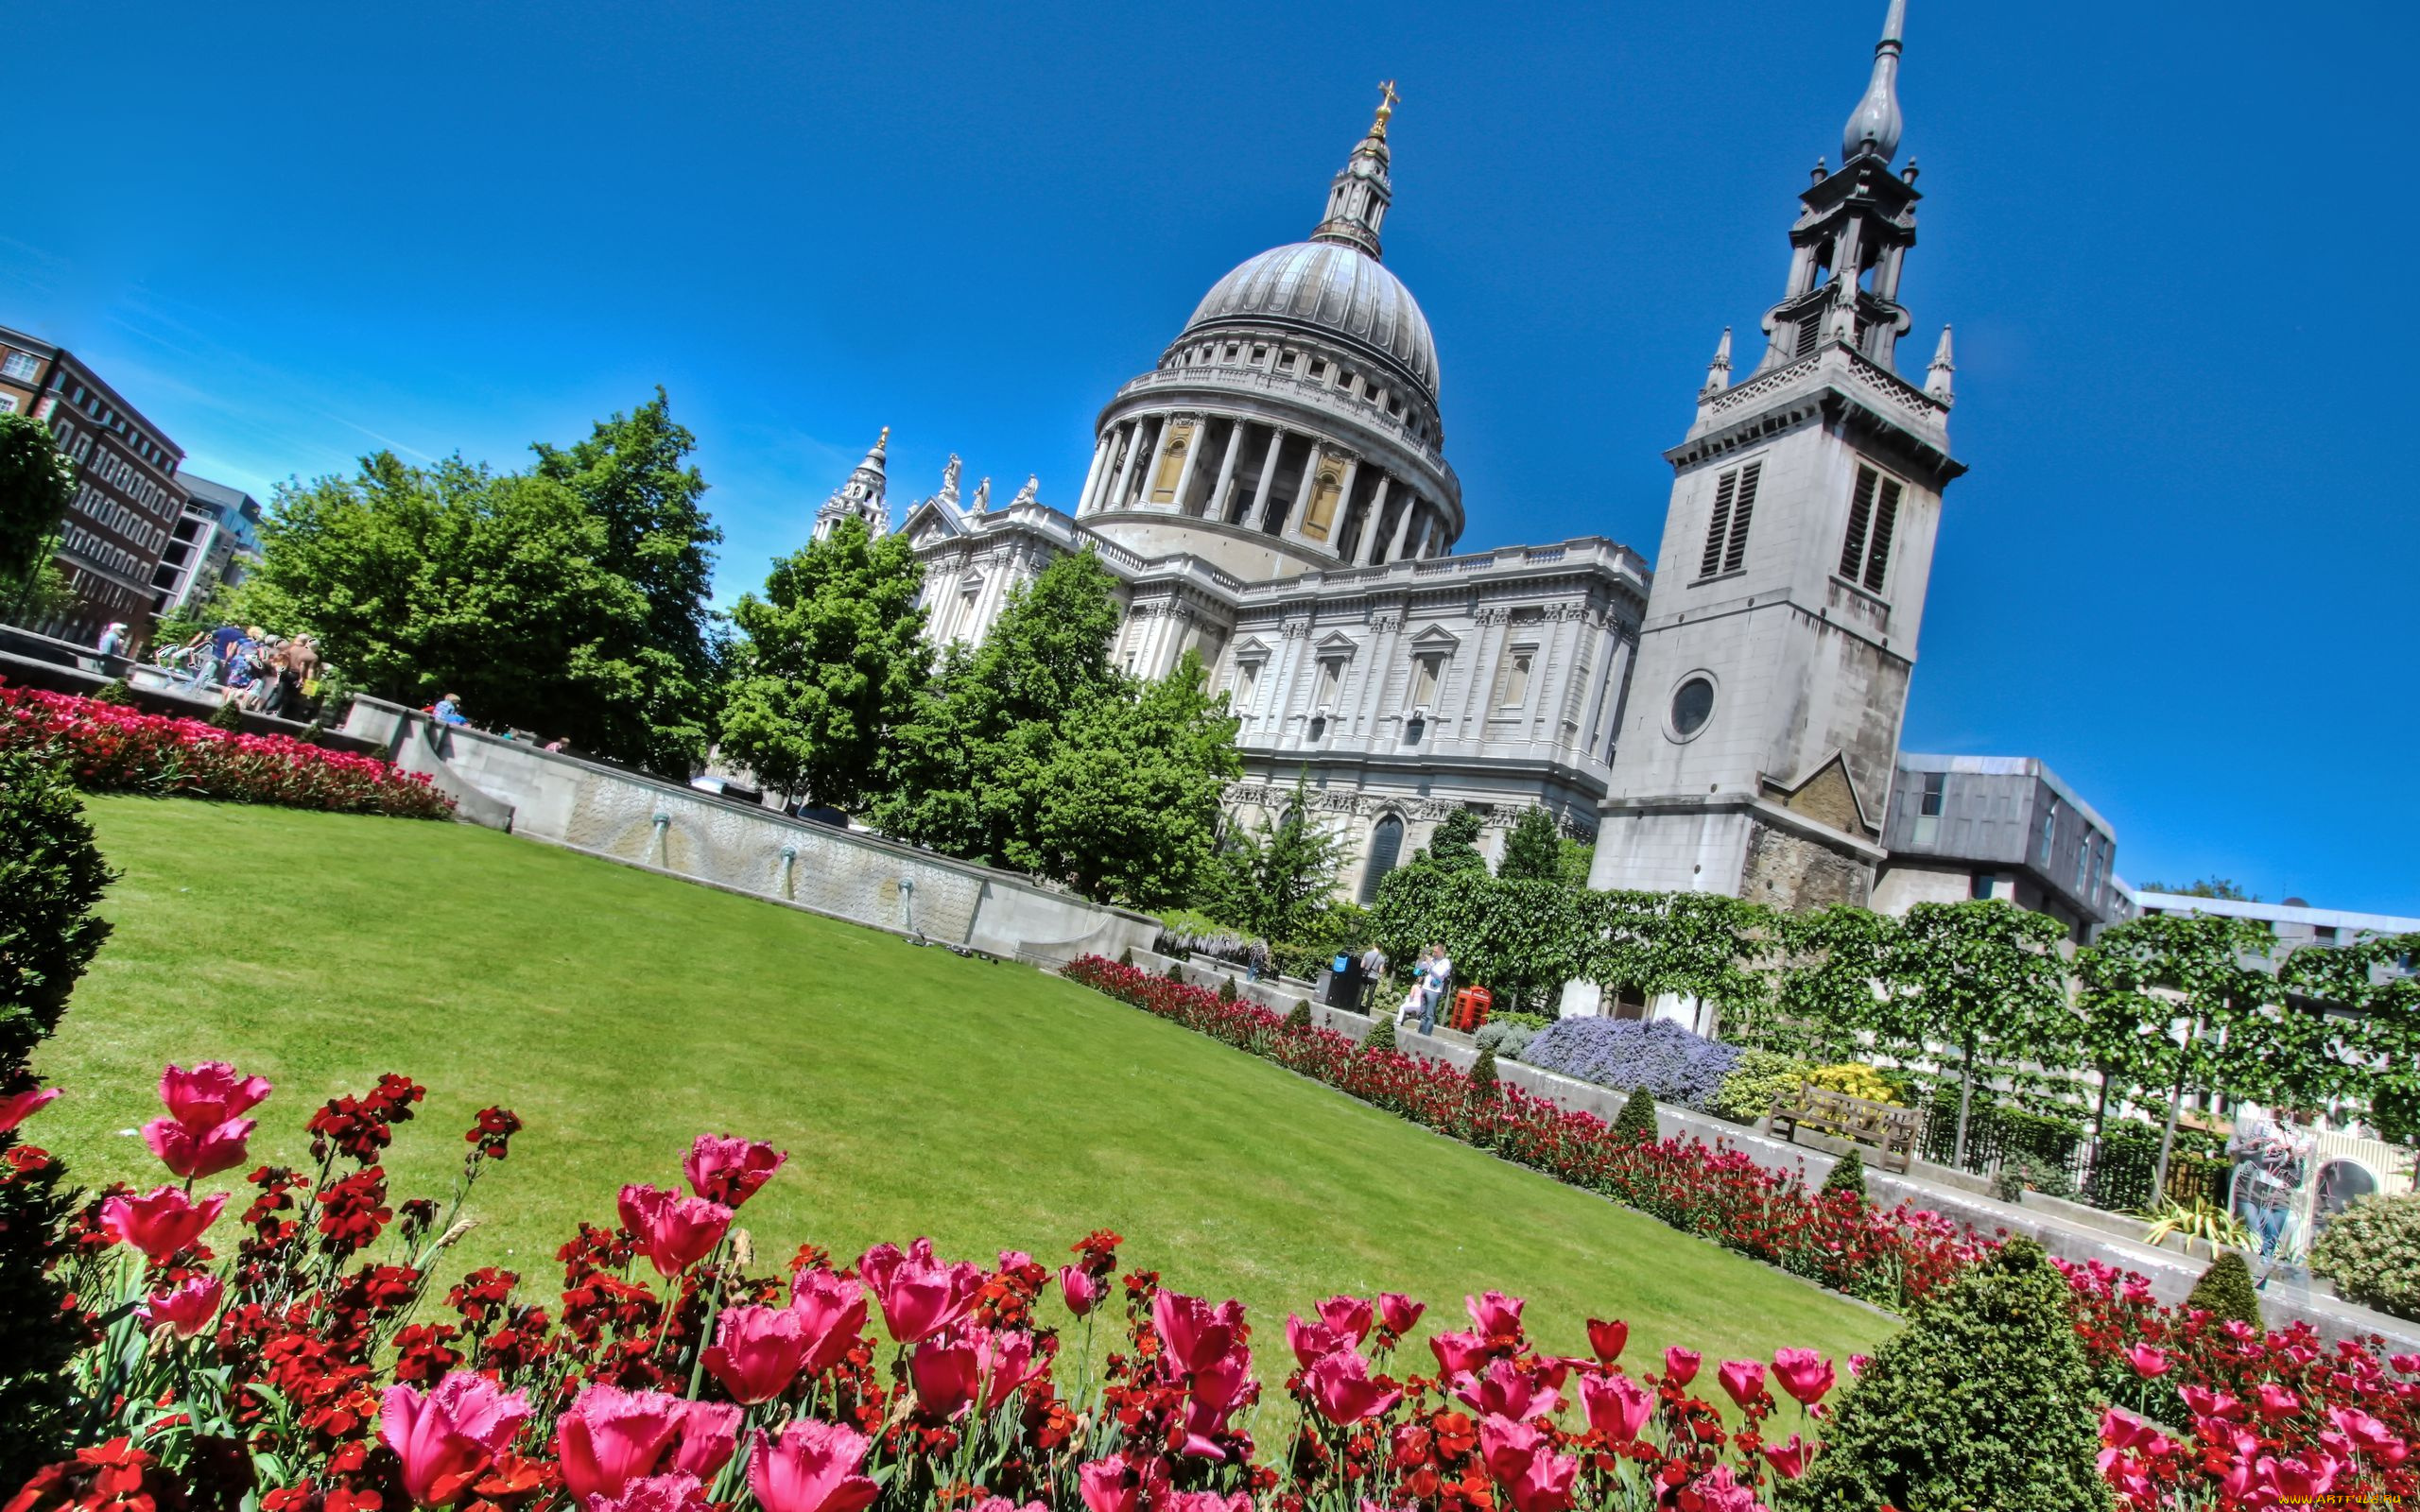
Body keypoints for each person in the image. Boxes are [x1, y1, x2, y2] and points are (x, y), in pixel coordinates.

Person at [1418, 943, 1454, 1037]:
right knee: (1423, 1014)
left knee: (1429, 1015)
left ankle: (1426, 1035)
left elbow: (1440, 974)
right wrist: (1423, 958)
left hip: (1434, 991)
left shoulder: (1446, 962)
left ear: (1441, 951)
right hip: (1425, 988)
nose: (1434, 953)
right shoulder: (1433, 959)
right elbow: (1420, 967)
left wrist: (1431, 964)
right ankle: (1420, 1034)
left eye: (1436, 951)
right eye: (1433, 951)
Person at [1357, 942, 1388, 1011]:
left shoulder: (1367, 954)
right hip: (1374, 978)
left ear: (1374, 946)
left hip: (1365, 975)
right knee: (1370, 995)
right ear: (1381, 948)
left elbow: (1362, 965)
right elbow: (1380, 971)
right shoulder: (1382, 958)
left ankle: (1356, 1009)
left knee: (1361, 992)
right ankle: (1366, 1012)